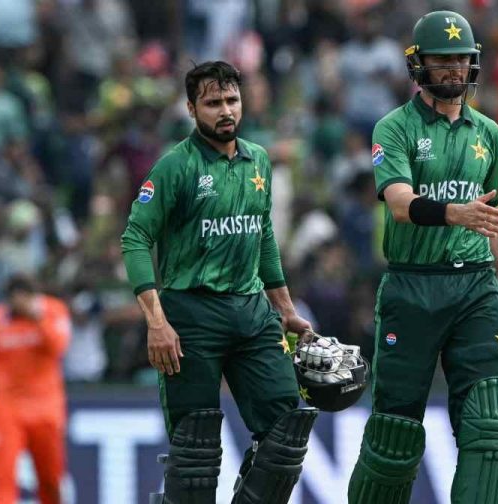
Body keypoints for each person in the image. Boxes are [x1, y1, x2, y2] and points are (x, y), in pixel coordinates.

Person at [346, 10, 498, 504]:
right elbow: (399, 205)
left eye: (461, 59)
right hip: (412, 287)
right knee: (395, 434)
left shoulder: (488, 133)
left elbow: (492, 222)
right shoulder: (394, 128)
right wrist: (457, 214)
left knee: (492, 426)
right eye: (442, 60)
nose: (453, 68)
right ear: (419, 65)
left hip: (477, 289)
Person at [121, 61, 316, 503]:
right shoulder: (175, 166)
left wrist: (284, 308)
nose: (225, 111)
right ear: (192, 109)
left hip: (252, 312)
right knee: (196, 451)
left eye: (232, 100)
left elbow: (262, 233)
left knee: (286, 434)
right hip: (191, 314)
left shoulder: (259, 159)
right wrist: (156, 321)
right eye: (213, 103)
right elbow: (135, 237)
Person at [0, 274, 71, 504]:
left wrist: (37, 318)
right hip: (8, 408)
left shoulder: (54, 310)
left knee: (51, 479)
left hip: (46, 408)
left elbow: (58, 347)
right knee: (2, 475)